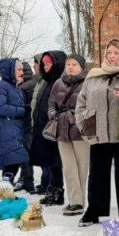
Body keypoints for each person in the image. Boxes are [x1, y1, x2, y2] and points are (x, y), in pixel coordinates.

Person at [76, 39, 119, 226]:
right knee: (97, 175)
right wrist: (84, 125)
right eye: (109, 52)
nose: (112, 56)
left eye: (116, 53)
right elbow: (81, 103)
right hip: (98, 133)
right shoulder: (94, 75)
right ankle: (94, 211)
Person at [49, 54, 89, 216]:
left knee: (81, 166)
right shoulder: (58, 83)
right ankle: (75, 201)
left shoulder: (87, 83)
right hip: (62, 129)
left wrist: (80, 118)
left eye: (74, 64)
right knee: (68, 166)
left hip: (80, 130)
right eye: (68, 64)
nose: (70, 67)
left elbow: (90, 105)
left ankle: (79, 202)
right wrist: (54, 115)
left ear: (81, 67)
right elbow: (51, 103)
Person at [31, 51, 67, 206]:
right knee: (49, 162)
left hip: (54, 128)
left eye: (48, 64)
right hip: (44, 128)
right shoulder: (47, 81)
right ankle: (51, 189)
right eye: (44, 64)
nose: (45, 67)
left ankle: (58, 191)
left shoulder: (59, 82)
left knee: (55, 162)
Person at [0, 58, 29, 184]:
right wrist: (21, 111)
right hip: (5, 131)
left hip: (13, 130)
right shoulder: (1, 87)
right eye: (19, 69)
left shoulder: (14, 87)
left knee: (15, 160)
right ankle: (5, 186)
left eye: (22, 70)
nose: (22, 72)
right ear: (10, 71)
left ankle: (7, 186)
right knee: (12, 160)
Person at [19, 56, 43, 193]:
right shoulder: (34, 82)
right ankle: (27, 179)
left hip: (26, 124)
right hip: (33, 123)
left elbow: (24, 107)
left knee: (25, 154)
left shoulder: (24, 87)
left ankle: (27, 180)